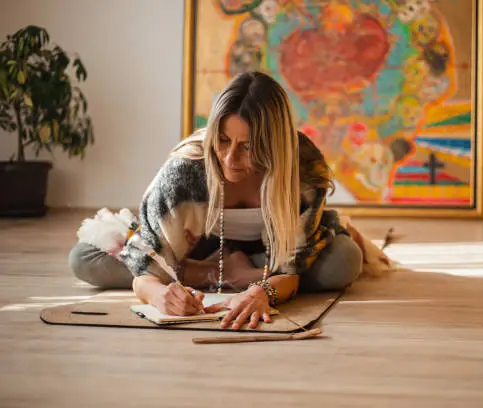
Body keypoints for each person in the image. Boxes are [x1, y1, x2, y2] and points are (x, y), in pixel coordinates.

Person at [69, 71, 389, 330]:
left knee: (343, 261)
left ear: (272, 145)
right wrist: (158, 295)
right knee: (84, 259)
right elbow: (148, 267)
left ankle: (242, 273)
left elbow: (290, 270)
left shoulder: (302, 170)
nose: (229, 158)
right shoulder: (185, 170)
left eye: (247, 146)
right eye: (222, 140)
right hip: (194, 252)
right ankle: (222, 273)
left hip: (269, 256)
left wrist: (262, 293)